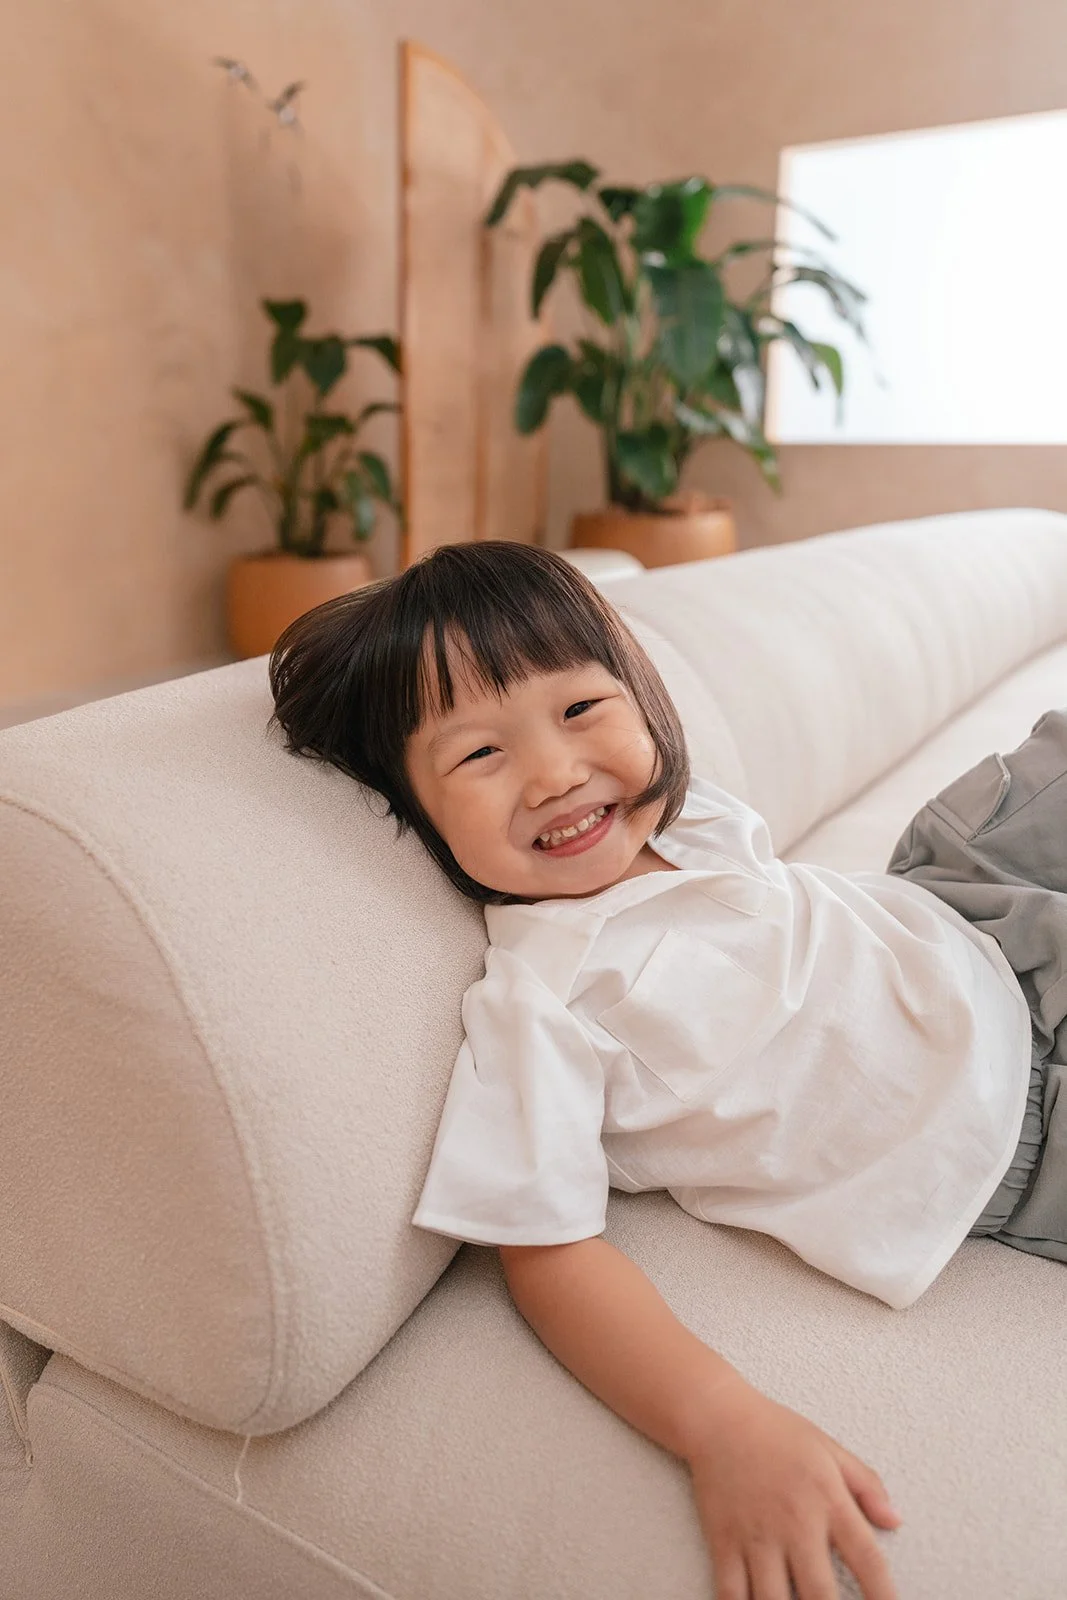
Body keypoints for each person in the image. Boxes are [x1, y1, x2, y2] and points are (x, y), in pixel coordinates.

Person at [268, 540, 1067, 1600]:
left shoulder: (674, 815)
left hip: (955, 901)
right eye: (477, 757)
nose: (554, 773)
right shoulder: (539, 1003)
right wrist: (722, 1422)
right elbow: (545, 1252)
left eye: (580, 710)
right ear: (412, 813)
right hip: (1009, 1118)